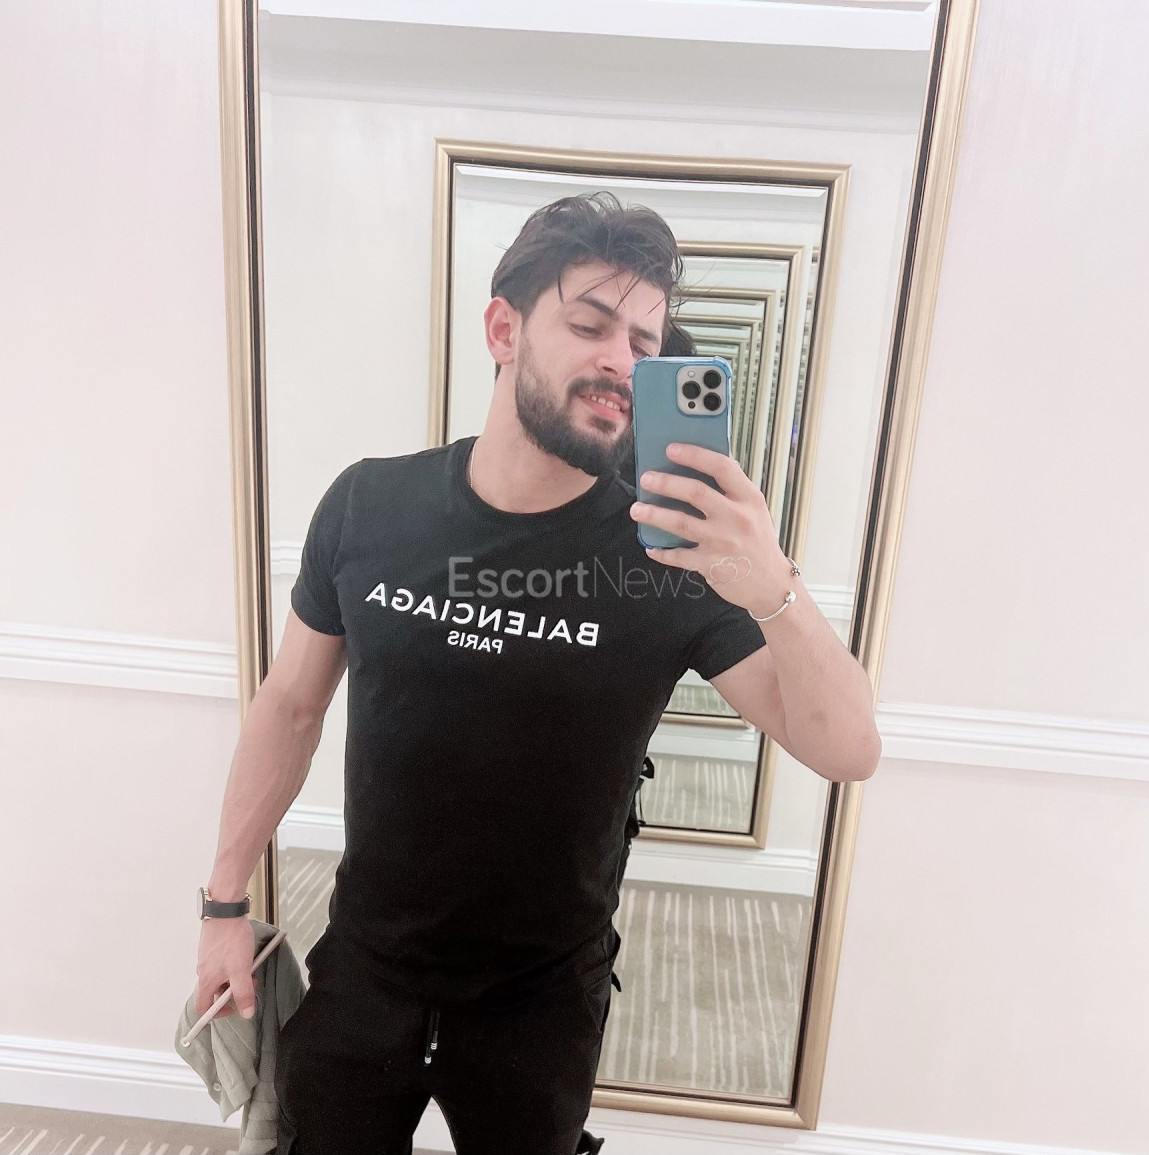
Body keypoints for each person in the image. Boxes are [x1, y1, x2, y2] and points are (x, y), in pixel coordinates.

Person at [195, 192, 881, 1155]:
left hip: (540, 1005)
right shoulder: (368, 504)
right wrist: (223, 906)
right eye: (591, 325)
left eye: (645, 343)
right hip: (365, 972)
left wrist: (773, 584)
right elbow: (290, 706)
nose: (622, 361)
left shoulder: (672, 559)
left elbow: (849, 748)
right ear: (503, 329)